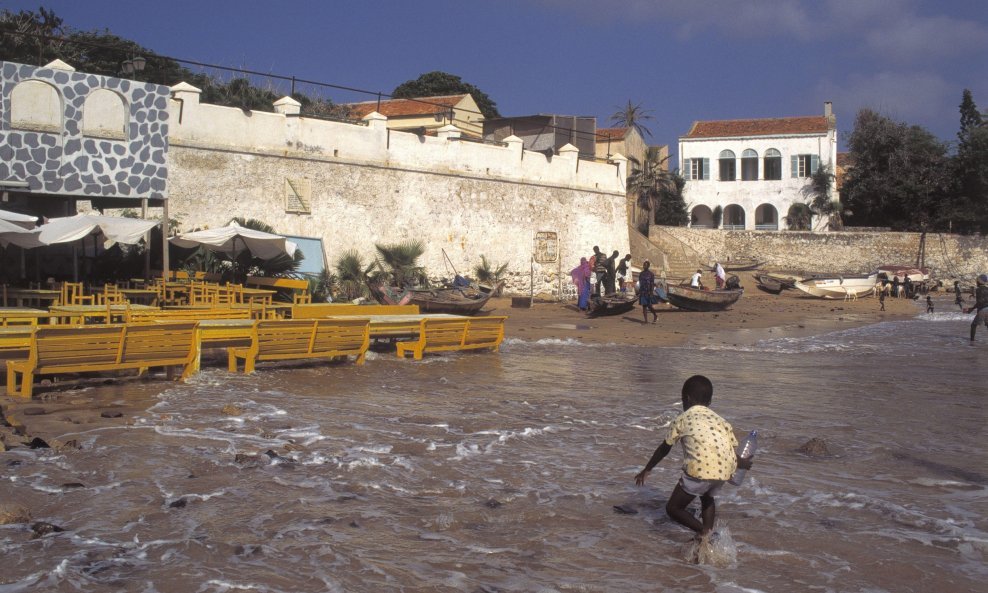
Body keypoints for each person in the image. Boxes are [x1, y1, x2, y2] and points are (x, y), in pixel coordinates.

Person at [634, 375, 752, 541]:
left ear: (686, 399)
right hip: (724, 470)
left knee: (673, 508)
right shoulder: (722, 421)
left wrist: (647, 469)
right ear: (709, 402)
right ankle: (707, 537)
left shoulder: (683, 418)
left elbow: (665, 448)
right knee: (707, 496)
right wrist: (744, 463)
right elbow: (730, 452)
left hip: (700, 468)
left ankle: (706, 533)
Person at [965, 274, 988, 341]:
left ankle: (972, 342)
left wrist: (971, 309)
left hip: (983, 309)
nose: (976, 282)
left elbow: (980, 302)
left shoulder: (978, 290)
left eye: (977, 281)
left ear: (979, 281)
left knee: (973, 325)